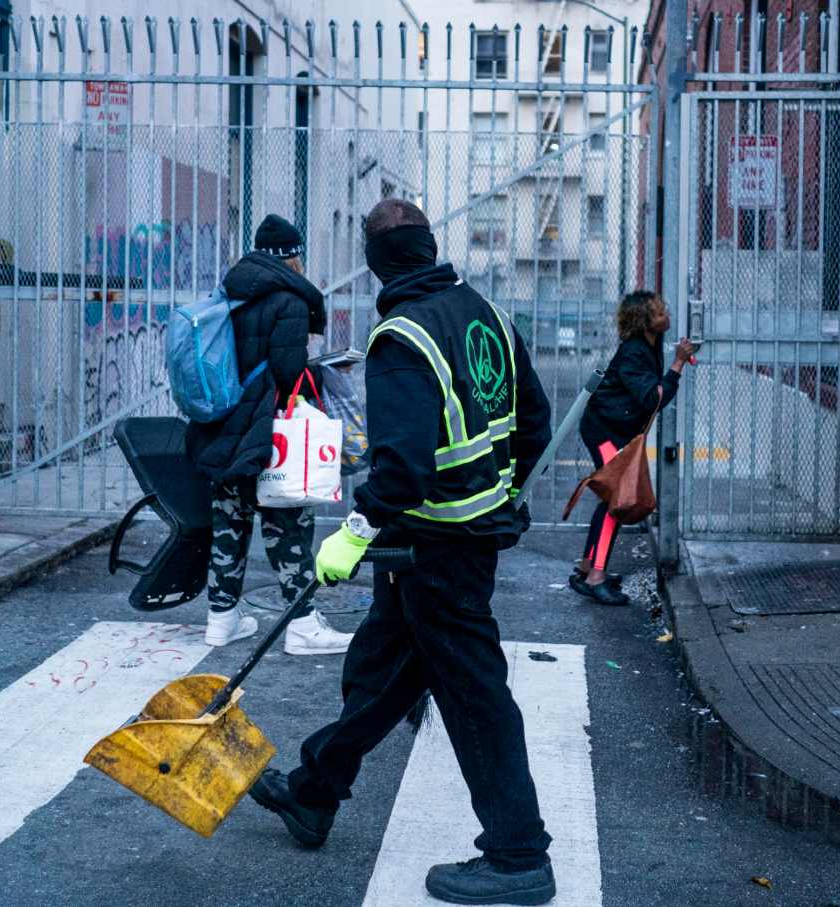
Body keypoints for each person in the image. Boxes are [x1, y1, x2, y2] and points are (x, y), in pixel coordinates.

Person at [248, 199, 557, 905]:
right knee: (382, 669)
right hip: (455, 539)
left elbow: (404, 465)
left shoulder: (402, 338)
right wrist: (500, 488)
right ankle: (314, 790)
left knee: (475, 697)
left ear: (381, 261)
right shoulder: (487, 315)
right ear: (429, 247)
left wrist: (354, 532)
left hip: (436, 546)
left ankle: (518, 855)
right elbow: (532, 422)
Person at [184, 215, 355, 655]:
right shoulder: (289, 301)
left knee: (230, 522)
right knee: (288, 527)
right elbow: (287, 372)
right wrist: (324, 370)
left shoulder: (229, 292)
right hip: (267, 431)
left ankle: (220, 620)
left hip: (223, 428)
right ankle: (301, 627)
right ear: (293, 256)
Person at [570, 290, 697, 606]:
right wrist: (679, 364)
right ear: (645, 321)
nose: (666, 313)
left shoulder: (648, 347)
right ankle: (596, 577)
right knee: (619, 501)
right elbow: (654, 399)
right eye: (659, 311)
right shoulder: (634, 352)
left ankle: (589, 567)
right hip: (603, 431)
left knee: (614, 499)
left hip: (616, 430)